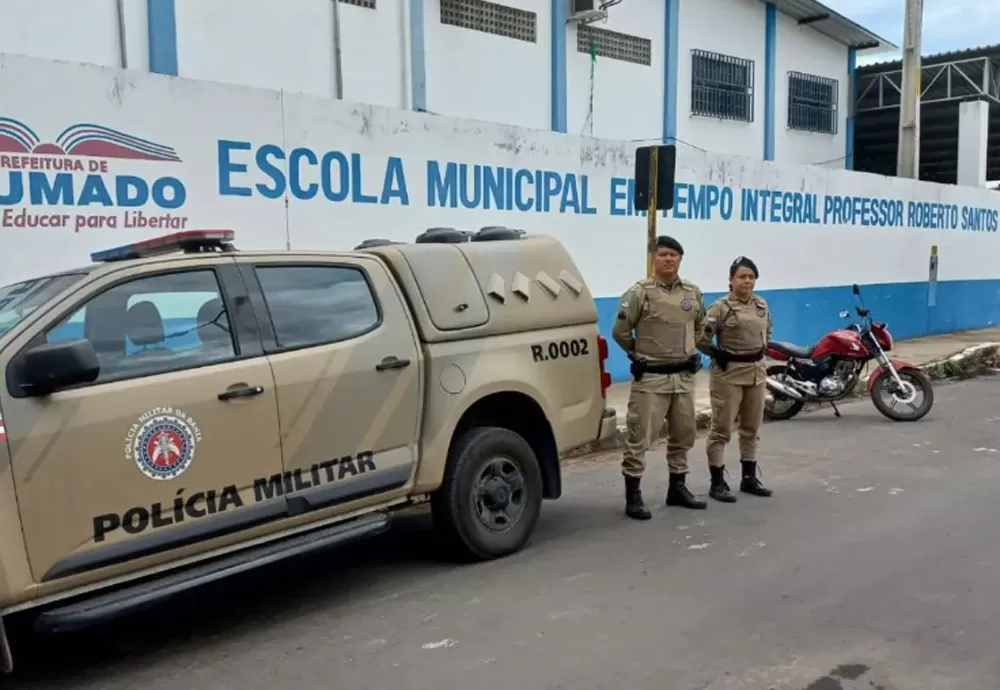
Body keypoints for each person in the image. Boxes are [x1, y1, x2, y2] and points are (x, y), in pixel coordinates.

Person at [612, 235, 708, 520]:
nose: (669, 259)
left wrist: (691, 346)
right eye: (663, 254)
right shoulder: (640, 292)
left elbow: (701, 324)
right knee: (640, 436)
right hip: (652, 379)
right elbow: (620, 331)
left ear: (681, 259)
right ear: (653, 258)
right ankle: (634, 495)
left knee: (683, 435)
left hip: (684, 377)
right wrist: (638, 353)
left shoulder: (692, 292)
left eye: (674, 255)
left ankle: (677, 488)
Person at [696, 256, 774, 502]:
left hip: (756, 373)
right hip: (728, 375)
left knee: (751, 429)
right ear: (731, 280)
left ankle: (749, 478)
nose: (747, 281)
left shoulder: (761, 304)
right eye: (742, 276)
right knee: (721, 430)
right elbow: (701, 338)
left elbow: (767, 332)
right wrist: (717, 354)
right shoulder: (720, 307)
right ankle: (717, 482)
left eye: (751, 277)